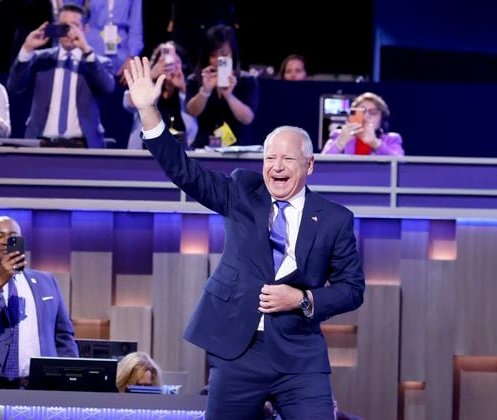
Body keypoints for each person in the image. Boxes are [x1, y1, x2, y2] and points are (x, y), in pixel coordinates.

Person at [124, 56, 366, 419]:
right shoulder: (242, 191)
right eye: (270, 158)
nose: (276, 167)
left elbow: (352, 289)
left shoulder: (335, 218)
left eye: (287, 159)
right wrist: (148, 111)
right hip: (238, 351)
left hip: (299, 356)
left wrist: (301, 298)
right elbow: (185, 172)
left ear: (309, 165)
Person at [0, 216, 78, 389]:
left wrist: (70, 379)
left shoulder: (47, 281)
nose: (6, 241)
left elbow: (64, 336)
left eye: (13, 237)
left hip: (41, 386)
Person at [7, 3, 115, 148]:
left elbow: (107, 88)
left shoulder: (97, 62)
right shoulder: (41, 59)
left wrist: (87, 52)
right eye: (63, 25)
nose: (68, 31)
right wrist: (27, 49)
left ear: (85, 29)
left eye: (74, 25)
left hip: (83, 146)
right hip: (41, 144)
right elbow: (14, 86)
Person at [185, 24, 259, 148]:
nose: (218, 61)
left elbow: (247, 118)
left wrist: (229, 96)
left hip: (239, 149)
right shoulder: (196, 79)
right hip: (204, 147)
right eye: (213, 56)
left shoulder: (247, 80)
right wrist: (205, 91)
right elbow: (192, 111)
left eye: (224, 55)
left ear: (232, 54)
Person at [124, 41, 196, 149]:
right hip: (143, 155)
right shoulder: (148, 89)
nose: (170, 66)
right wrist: (151, 76)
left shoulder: (187, 94)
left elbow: (194, 127)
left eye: (175, 62)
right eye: (164, 62)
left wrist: (183, 90)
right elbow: (129, 104)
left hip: (179, 157)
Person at [321, 92, 404, 156]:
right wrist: (339, 143)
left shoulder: (392, 139)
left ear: (382, 119)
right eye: (362, 111)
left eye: (373, 112)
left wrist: (375, 143)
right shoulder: (339, 136)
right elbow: (321, 165)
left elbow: (400, 165)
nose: (366, 116)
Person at [80, 0, 143, 82]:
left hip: (121, 53)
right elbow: (72, 10)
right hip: (92, 47)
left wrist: (132, 56)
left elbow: (136, 25)